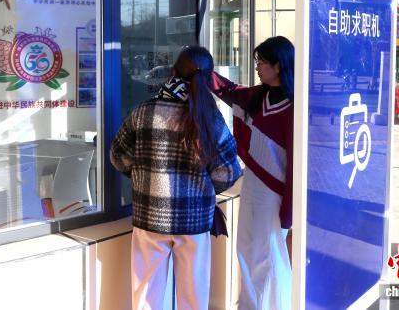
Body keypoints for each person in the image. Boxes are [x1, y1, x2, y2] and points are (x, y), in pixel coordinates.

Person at [111, 45, 241, 310]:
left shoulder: (142, 112)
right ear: (209, 77)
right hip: (194, 219)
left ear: (173, 71)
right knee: (193, 297)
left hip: (149, 216)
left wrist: (145, 178)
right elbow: (229, 171)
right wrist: (202, 189)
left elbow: (118, 157)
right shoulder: (211, 118)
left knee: (145, 296)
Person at [211, 36, 294, 310]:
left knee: (268, 257)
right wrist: (202, 72)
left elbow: (296, 166)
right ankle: (248, 305)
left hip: (274, 194)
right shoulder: (257, 97)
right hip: (252, 185)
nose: (257, 67)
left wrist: (288, 212)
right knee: (245, 249)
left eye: (262, 62)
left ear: (278, 66)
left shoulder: (295, 107)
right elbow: (228, 90)